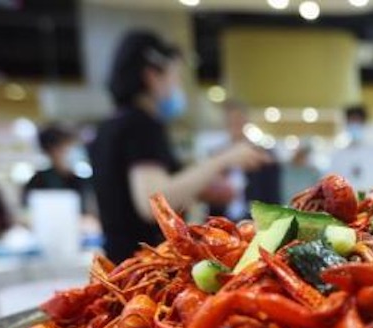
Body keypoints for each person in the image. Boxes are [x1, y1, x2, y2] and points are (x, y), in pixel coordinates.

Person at [89, 30, 268, 262]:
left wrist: (200, 189)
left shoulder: (109, 127)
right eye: (176, 77)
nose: (178, 86)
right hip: (142, 262)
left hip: (119, 261)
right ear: (152, 76)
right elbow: (151, 203)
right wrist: (223, 160)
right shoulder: (141, 125)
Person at [207, 100, 282, 221]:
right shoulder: (216, 156)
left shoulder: (263, 155)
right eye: (230, 121)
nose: (235, 124)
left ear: (246, 121)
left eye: (238, 120)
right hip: (221, 223)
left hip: (255, 223)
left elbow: (273, 196)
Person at [23, 124, 96, 215]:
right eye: (66, 147)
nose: (71, 152)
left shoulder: (82, 181)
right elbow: (27, 212)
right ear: (52, 151)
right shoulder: (37, 181)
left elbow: (90, 211)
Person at [330, 105, 373, 193]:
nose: (354, 126)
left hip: (371, 203)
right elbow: (331, 185)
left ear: (364, 124)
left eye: (357, 122)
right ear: (346, 124)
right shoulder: (338, 156)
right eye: (351, 122)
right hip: (345, 204)